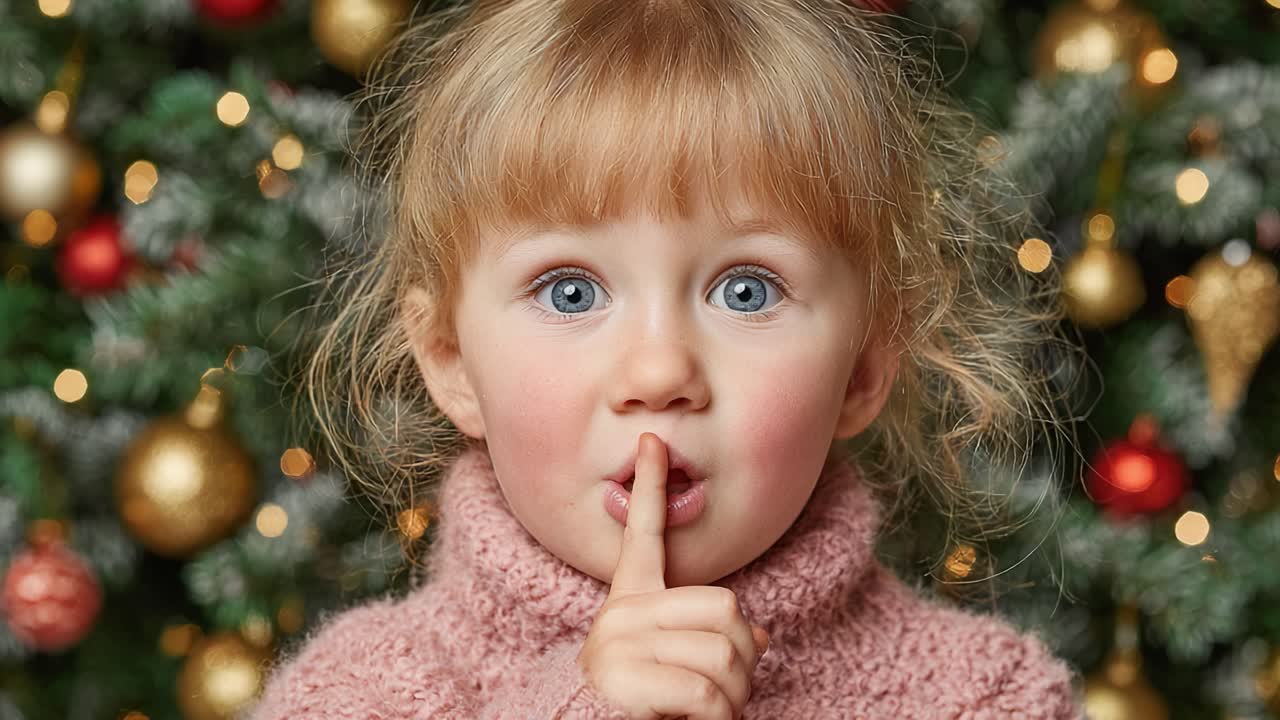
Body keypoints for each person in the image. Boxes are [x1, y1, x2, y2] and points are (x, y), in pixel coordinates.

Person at [251, 0, 1087, 717]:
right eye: (569, 292)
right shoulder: (354, 694)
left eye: (747, 291)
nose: (658, 373)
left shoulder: (987, 698)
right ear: (451, 363)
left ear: (864, 369)